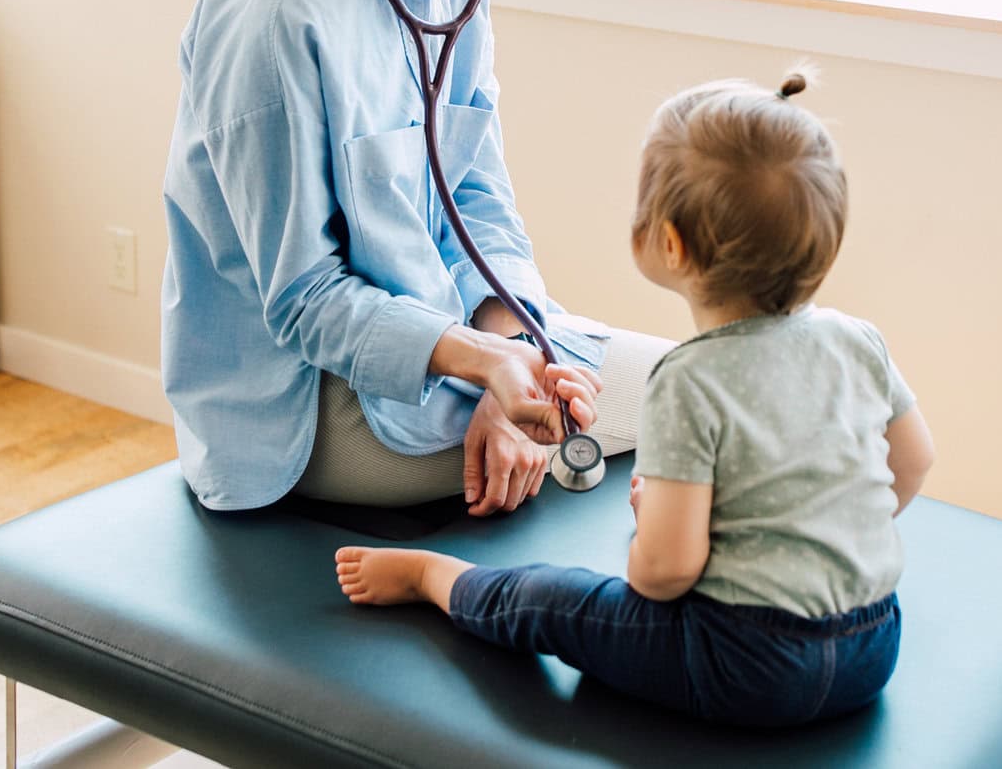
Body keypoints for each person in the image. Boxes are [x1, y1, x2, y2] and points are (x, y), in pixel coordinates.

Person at [162, 0, 675, 514]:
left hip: (454, 352)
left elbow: (479, 204)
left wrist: (509, 363)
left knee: (701, 387)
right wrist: (483, 373)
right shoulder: (273, 14)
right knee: (706, 407)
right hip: (316, 408)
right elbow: (304, 301)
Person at [334, 72, 937, 727]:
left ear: (670, 244)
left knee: (550, 598)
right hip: (873, 642)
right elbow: (911, 463)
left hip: (743, 663)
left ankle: (434, 578)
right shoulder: (856, 339)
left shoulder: (690, 379)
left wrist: (658, 523)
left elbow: (664, 574)